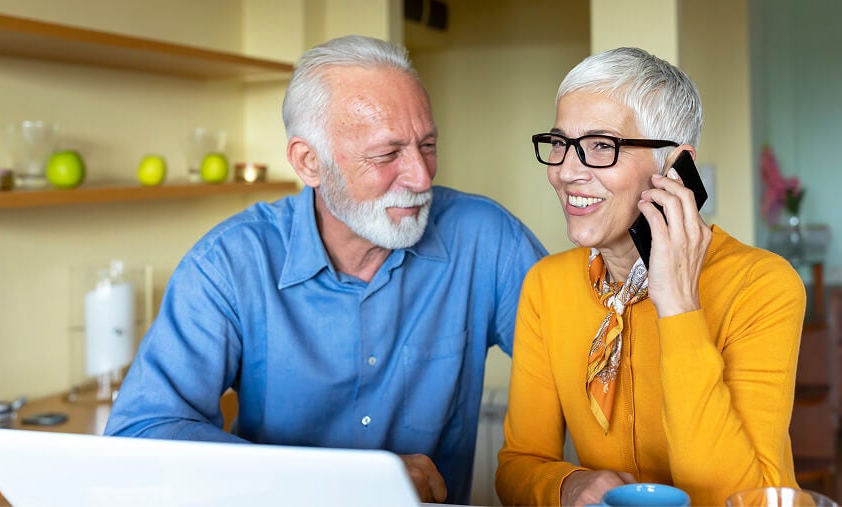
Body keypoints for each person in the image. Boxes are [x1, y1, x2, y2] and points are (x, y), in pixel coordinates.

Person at [104, 35, 547, 505]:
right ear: (309, 162)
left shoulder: (485, 238)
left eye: (428, 144)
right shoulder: (230, 263)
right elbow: (141, 433)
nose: (421, 176)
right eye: (387, 154)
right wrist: (342, 482)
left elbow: (587, 368)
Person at [495, 47, 805, 507]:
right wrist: (567, 485)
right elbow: (519, 463)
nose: (566, 171)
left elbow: (742, 498)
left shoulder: (762, 285)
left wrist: (679, 305)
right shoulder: (546, 285)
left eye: (602, 145)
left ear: (675, 166)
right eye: (560, 143)